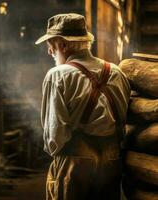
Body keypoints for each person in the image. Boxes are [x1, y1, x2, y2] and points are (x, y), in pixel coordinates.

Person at [35, 13, 131, 200]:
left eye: (51, 46)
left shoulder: (58, 75)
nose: (49, 52)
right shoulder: (117, 72)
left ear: (63, 45)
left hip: (75, 162)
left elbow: (55, 136)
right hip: (111, 161)